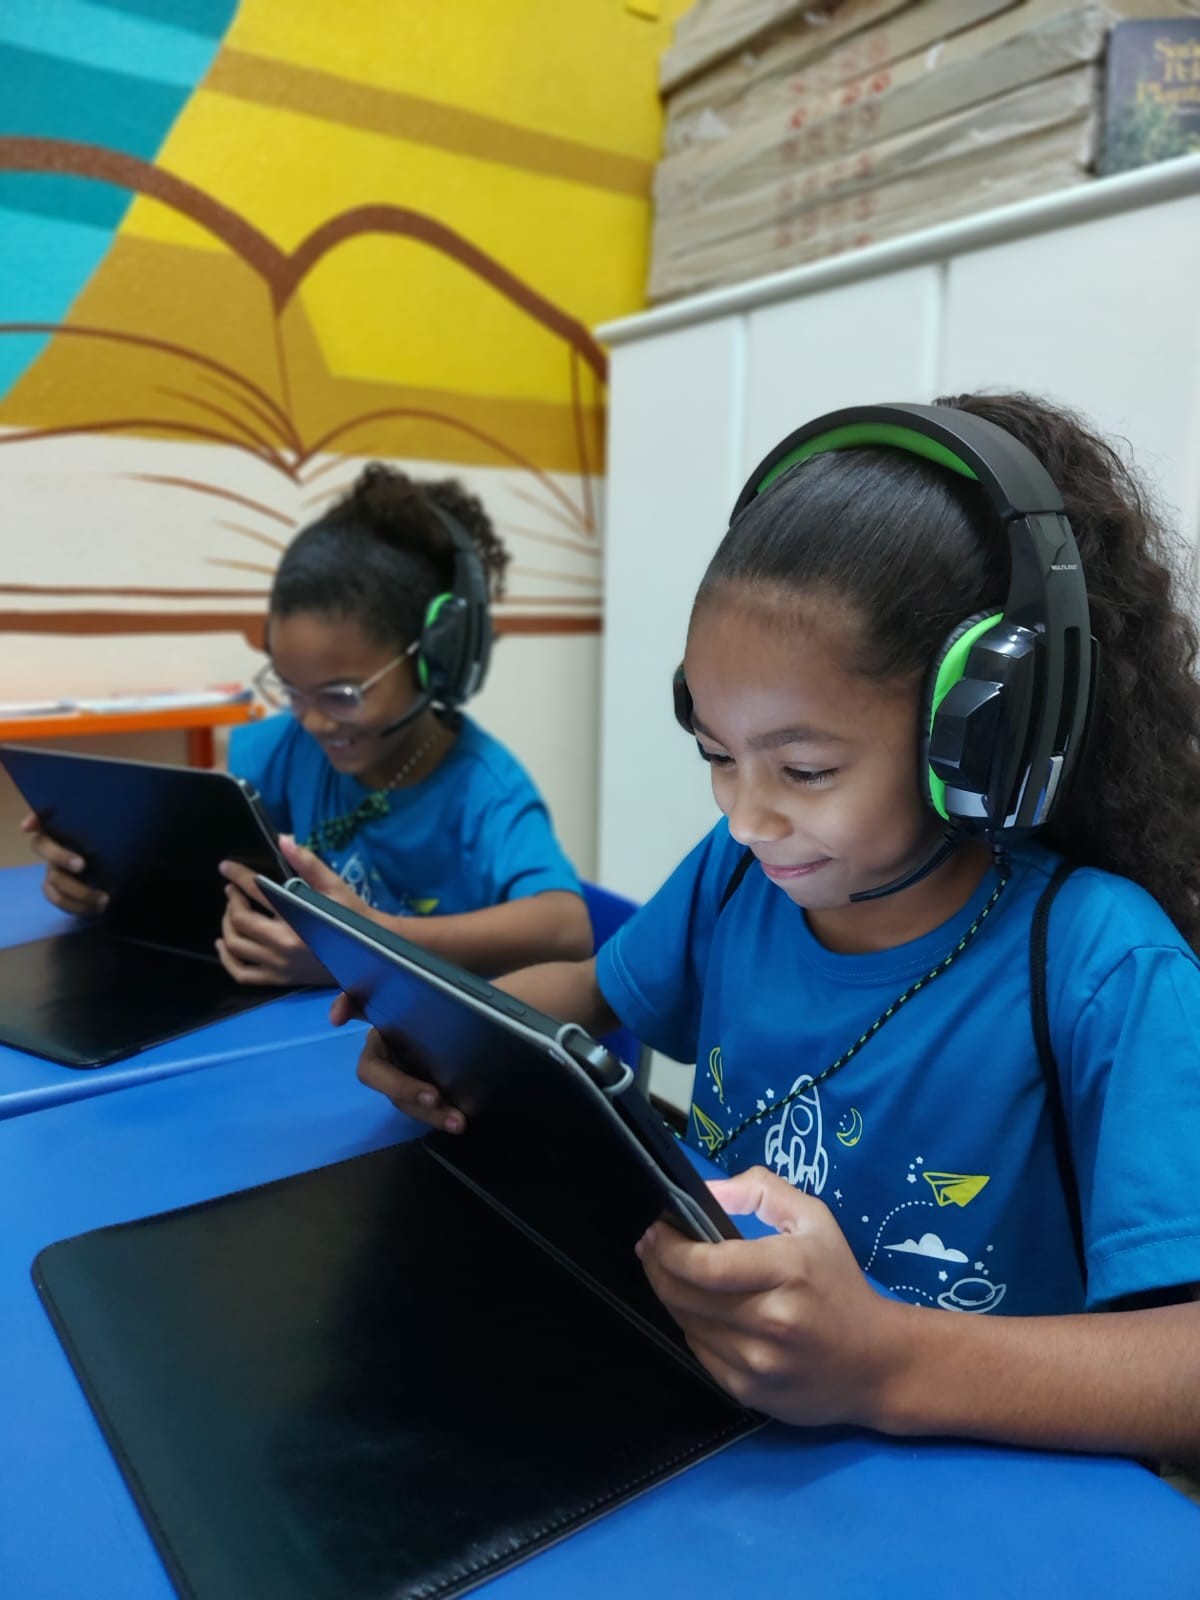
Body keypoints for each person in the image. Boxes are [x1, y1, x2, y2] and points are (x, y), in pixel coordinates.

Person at [345, 393, 1200, 1464]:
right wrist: (447, 1032)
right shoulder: (739, 877)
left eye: (804, 768)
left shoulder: (1103, 965)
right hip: (720, 1435)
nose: (746, 817)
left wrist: (884, 1360)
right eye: (717, 753)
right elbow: (589, 993)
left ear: (984, 738)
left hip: (955, 1486)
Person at [24, 465, 591, 982]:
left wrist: (369, 943)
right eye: (292, 689)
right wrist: (108, 881)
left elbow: (568, 928)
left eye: (342, 695)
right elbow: (193, 857)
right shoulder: (284, 749)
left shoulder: (484, 791)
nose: (314, 721)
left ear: (435, 660)